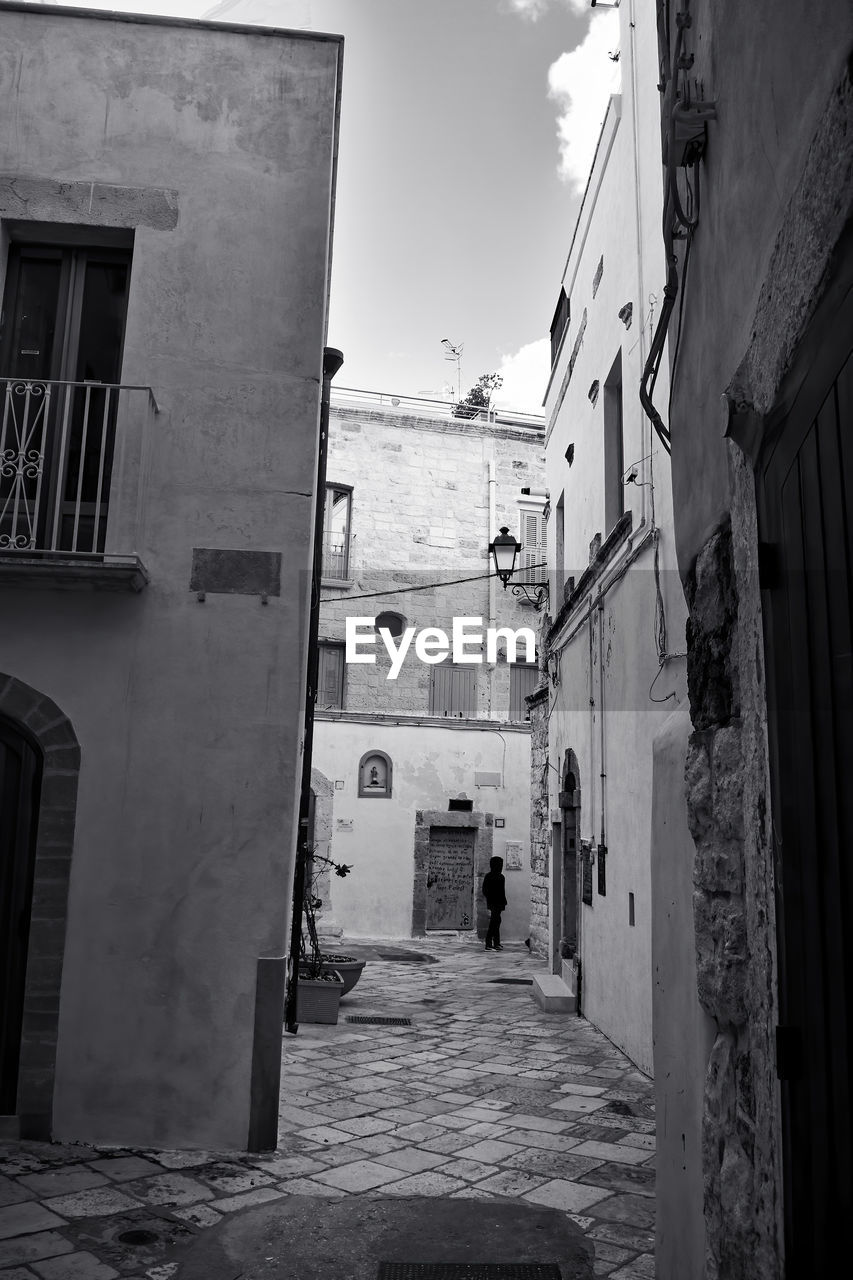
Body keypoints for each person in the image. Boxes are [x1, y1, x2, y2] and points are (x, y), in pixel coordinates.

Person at [482, 855, 507, 951]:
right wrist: (491, 898)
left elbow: (502, 891)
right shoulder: (490, 876)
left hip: (499, 903)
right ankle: (488, 944)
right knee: (494, 923)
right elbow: (485, 890)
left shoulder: (501, 877)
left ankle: (496, 943)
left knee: (496, 922)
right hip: (494, 903)